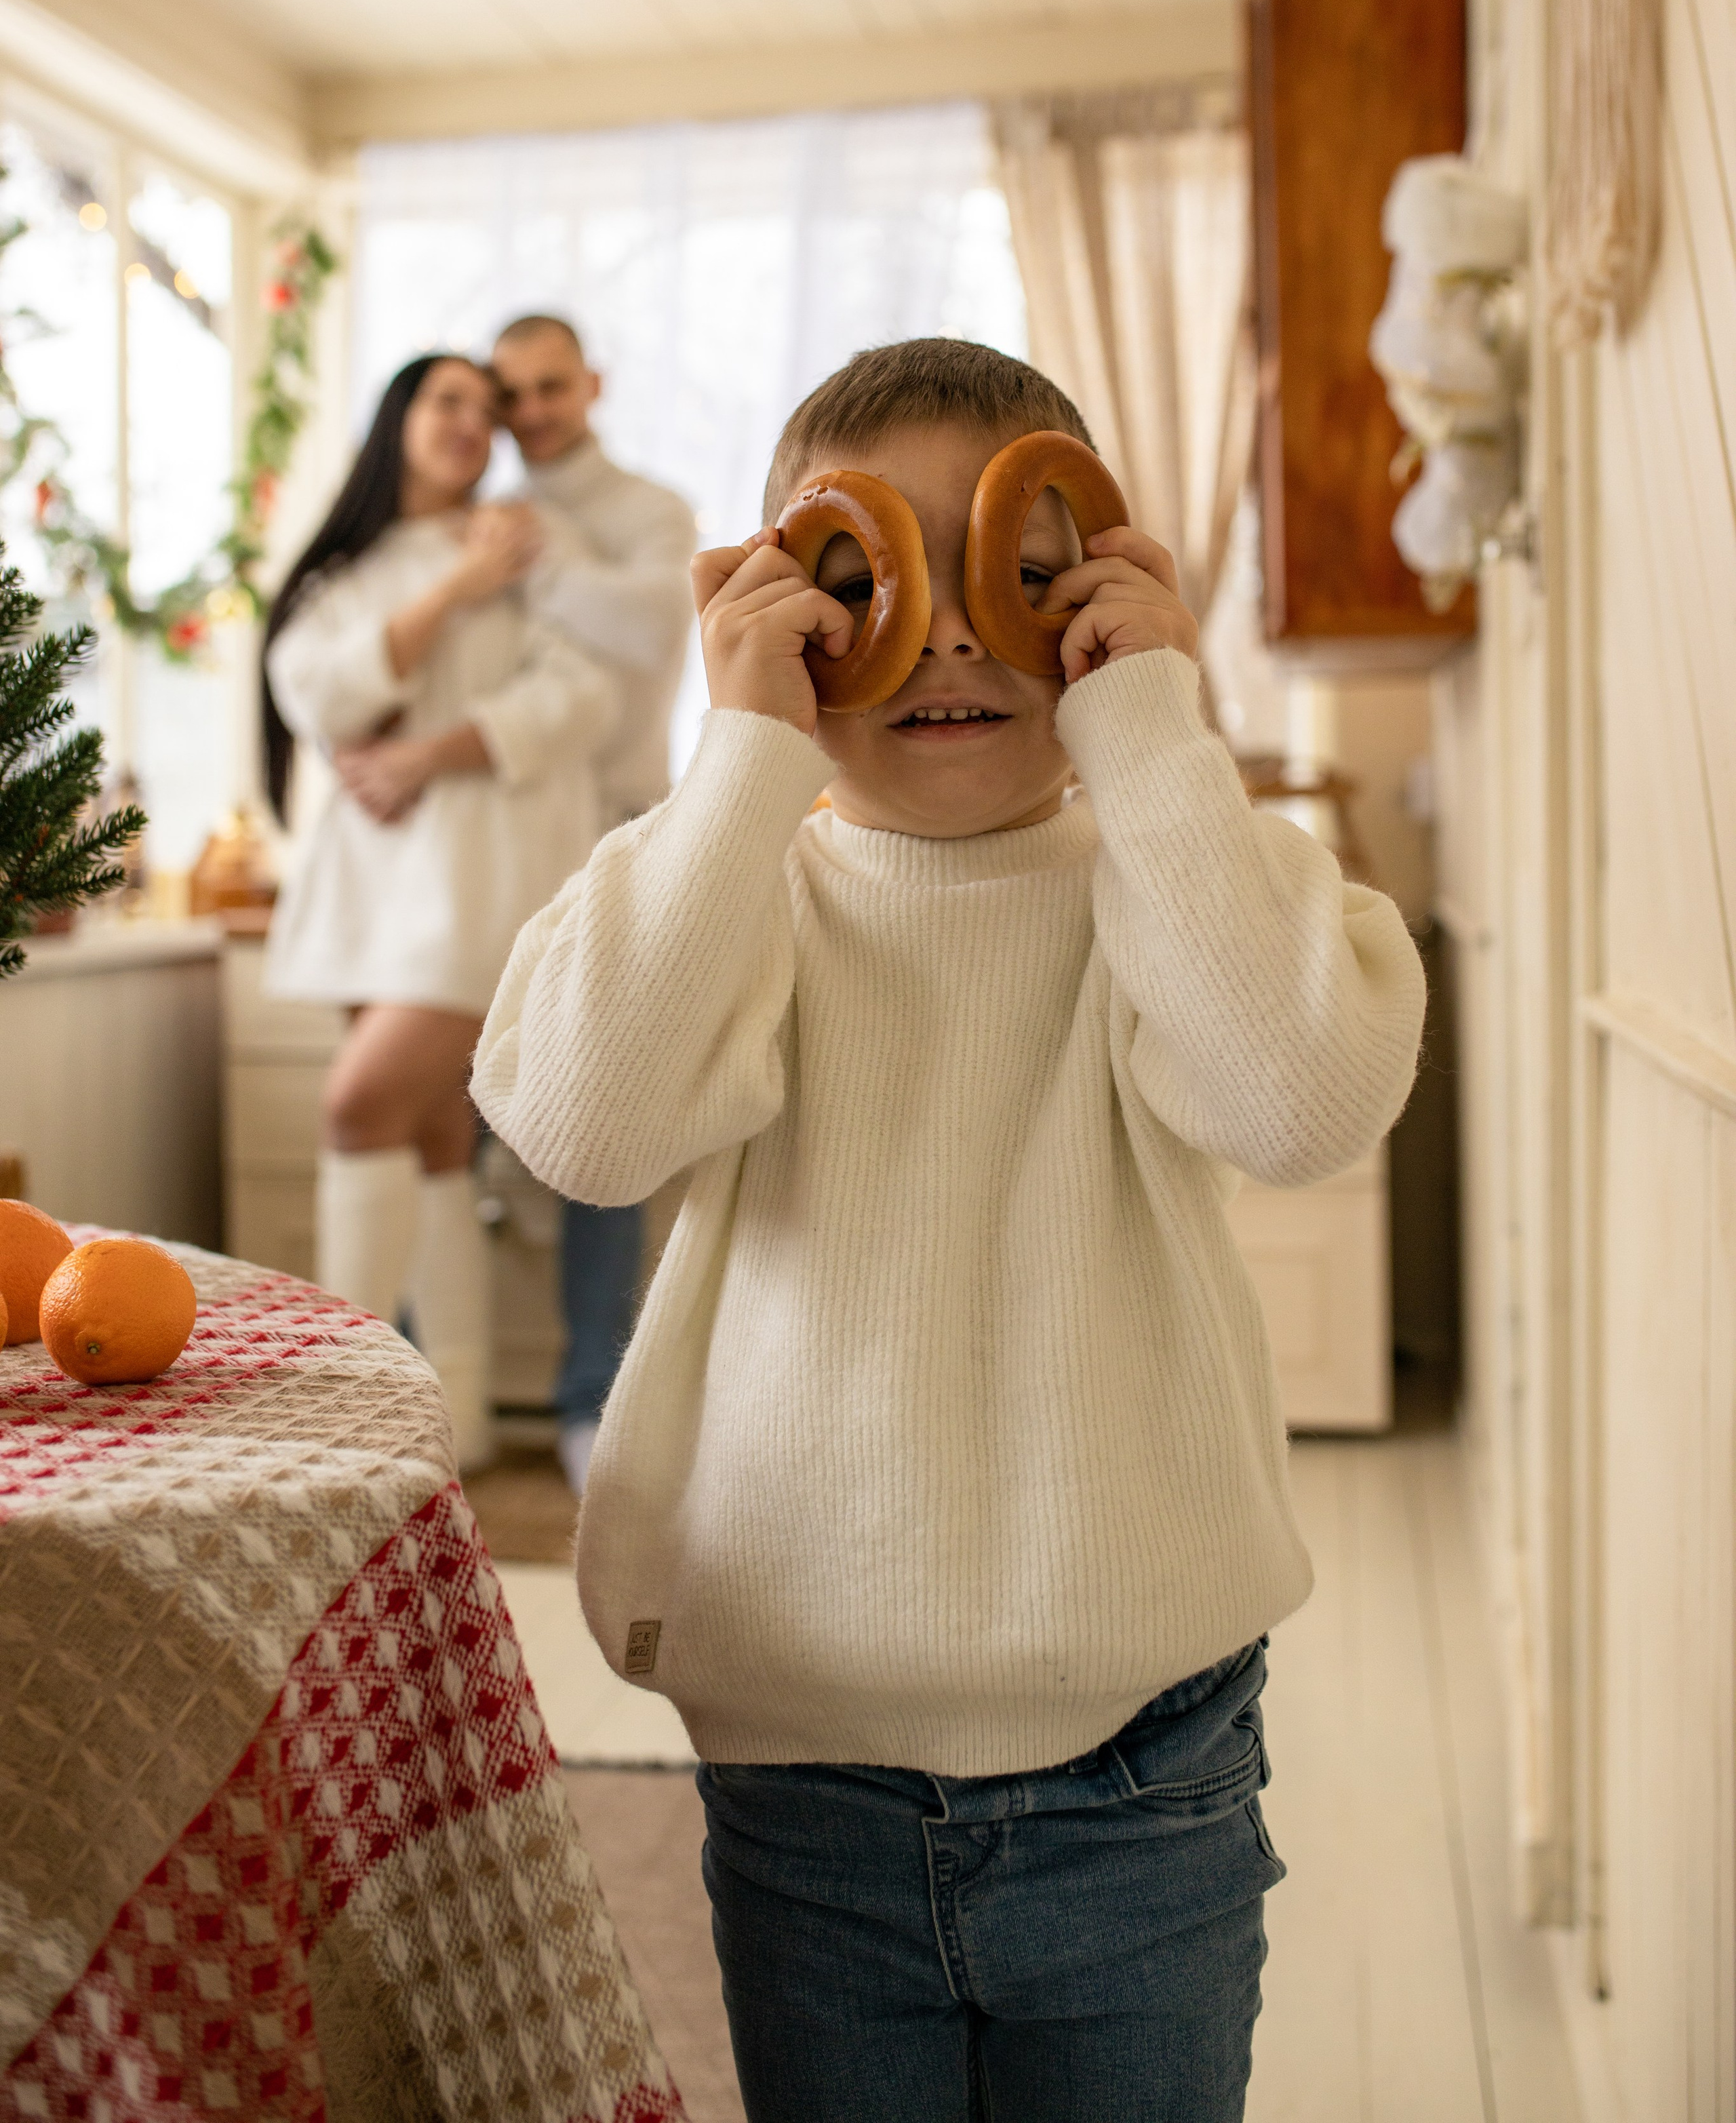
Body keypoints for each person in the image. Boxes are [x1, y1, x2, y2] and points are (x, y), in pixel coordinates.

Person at [473, 339, 1425, 2122]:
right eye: (862, 582)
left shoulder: (1171, 882)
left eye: (1021, 573)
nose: (950, 636)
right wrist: (744, 758)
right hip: (800, 1775)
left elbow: (1299, 1105)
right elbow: (584, 1131)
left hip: (1144, 1769)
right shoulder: (725, 892)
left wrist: (1150, 726)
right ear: (771, 608)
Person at [262, 352, 617, 1470]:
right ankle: (450, 1423)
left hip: (482, 883)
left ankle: (337, 1414)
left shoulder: (528, 542)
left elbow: (586, 695)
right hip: (374, 892)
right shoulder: (351, 570)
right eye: (447, 400)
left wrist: (424, 754)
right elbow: (317, 693)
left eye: (487, 407)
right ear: (398, 416)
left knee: (357, 1105)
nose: (473, 421)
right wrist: (455, 591)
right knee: (430, 1144)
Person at [490, 313, 697, 1496]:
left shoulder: (650, 512)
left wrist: (544, 562)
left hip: (617, 843)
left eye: (551, 386)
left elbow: (652, 625)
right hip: (498, 848)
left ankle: (592, 1405)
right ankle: (428, 1375)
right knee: (458, 1119)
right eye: (512, 393)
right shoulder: (480, 518)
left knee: (599, 1129)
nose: (532, 412)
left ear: (593, 384)